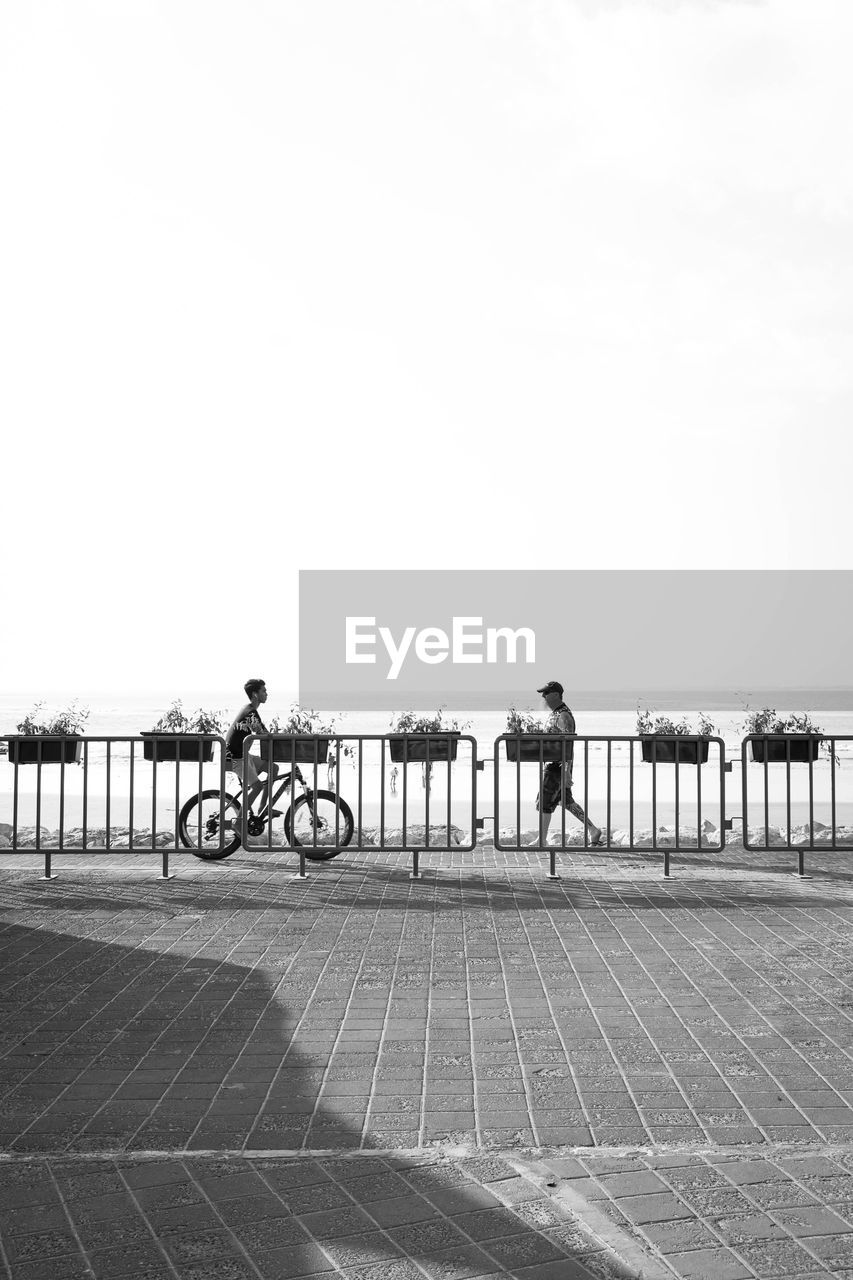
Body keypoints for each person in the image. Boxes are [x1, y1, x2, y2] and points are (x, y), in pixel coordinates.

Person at [527, 680, 602, 847]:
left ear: (555, 694)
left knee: (544, 802)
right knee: (566, 802)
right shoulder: (557, 713)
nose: (543, 696)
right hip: (558, 764)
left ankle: (542, 840)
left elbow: (568, 743)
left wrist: (566, 771)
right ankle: (593, 830)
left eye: (546, 693)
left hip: (557, 765)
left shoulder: (563, 715)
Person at [224, 678, 281, 813]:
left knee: (273, 768)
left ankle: (263, 809)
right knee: (257, 787)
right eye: (264, 691)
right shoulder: (250, 712)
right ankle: (239, 823)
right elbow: (264, 733)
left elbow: (263, 733)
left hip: (243, 755)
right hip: (235, 758)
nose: (267, 693)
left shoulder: (250, 710)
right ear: (255, 694)